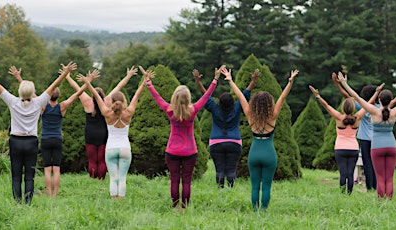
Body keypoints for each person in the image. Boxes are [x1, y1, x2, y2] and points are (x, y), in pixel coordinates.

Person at [0, 59, 77, 204]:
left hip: (15, 141)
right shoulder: (39, 102)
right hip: (31, 142)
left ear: (20, 91)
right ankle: (27, 203)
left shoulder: (13, 101)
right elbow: (54, 85)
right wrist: (65, 73)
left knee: (16, 175)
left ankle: (17, 203)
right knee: (29, 175)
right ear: (33, 92)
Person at [140, 65, 221, 211]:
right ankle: (184, 208)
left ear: (174, 97)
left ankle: (175, 207)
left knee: (174, 180)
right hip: (190, 151)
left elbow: (156, 96)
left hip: (172, 150)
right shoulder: (193, 110)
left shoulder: (169, 109)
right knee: (187, 182)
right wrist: (215, 79)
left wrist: (148, 82)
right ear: (188, 97)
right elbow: (206, 95)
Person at [8, 66, 99, 197]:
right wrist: (87, 82)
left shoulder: (42, 105)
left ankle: (48, 193)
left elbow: (27, 93)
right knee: (56, 169)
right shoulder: (62, 106)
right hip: (57, 139)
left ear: (49, 96)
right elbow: (77, 94)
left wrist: (18, 77)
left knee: (47, 169)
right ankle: (55, 195)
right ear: (59, 96)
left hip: (45, 139)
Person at [338, 72, 396, 199]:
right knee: (389, 177)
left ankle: (381, 202)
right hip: (392, 146)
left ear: (379, 100)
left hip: (377, 147)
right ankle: (389, 201)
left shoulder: (373, 111)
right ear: (390, 100)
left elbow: (356, 97)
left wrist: (343, 83)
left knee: (380, 177)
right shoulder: (395, 112)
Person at [223, 67, 298, 211]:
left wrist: (231, 81)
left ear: (255, 103)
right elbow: (282, 97)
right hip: (269, 154)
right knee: (267, 186)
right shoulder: (273, 115)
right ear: (269, 103)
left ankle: (255, 211)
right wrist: (290, 82)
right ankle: (263, 212)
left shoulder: (250, 114)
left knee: (255, 186)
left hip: (254, 154)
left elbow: (240, 96)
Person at [77, 69, 153, 199]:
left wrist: (87, 83)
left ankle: (113, 202)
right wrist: (144, 82)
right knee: (122, 178)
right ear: (123, 102)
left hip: (111, 149)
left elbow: (96, 95)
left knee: (113, 178)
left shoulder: (107, 113)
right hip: (125, 149)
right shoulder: (128, 113)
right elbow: (136, 97)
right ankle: (121, 201)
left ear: (112, 102)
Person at [332, 73, 396, 191]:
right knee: (375, 165)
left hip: (364, 139)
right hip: (376, 139)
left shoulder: (363, 107)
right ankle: (376, 185)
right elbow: (393, 102)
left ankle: (369, 187)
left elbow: (347, 96)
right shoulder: (380, 108)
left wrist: (338, 84)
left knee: (367, 163)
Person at [66, 67, 138, 179]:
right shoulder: (108, 101)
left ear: (92, 94)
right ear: (103, 94)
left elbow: (77, 88)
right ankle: (101, 178)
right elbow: (119, 86)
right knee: (102, 159)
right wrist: (128, 75)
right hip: (104, 133)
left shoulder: (87, 101)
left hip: (90, 133)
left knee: (92, 160)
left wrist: (67, 76)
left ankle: (93, 178)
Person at [309, 83, 382, 194]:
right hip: (353, 149)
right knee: (351, 173)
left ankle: (343, 194)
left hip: (340, 149)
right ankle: (351, 192)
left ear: (343, 108)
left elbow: (327, 106)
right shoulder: (357, 118)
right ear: (353, 108)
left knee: (343, 173)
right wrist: (376, 93)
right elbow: (368, 105)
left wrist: (318, 96)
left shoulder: (338, 117)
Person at [193, 68, 259, 188]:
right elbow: (245, 94)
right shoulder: (237, 107)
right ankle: (230, 191)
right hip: (234, 142)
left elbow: (206, 95)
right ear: (232, 102)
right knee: (231, 170)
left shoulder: (214, 108)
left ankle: (220, 191)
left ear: (220, 102)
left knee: (220, 170)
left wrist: (198, 81)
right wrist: (253, 81)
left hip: (216, 142)